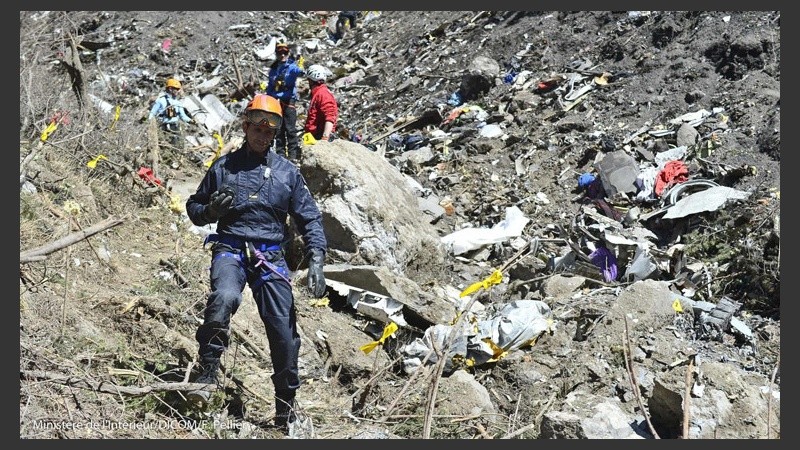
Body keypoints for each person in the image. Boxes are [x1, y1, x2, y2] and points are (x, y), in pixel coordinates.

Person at [184, 93, 328, 431]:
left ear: (275, 134)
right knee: (224, 298)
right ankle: (206, 375)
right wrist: (211, 211)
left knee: (283, 330)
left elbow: (310, 218)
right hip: (230, 248)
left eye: (269, 131)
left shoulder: (287, 173)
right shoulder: (223, 167)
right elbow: (194, 208)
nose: (262, 136)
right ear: (246, 127)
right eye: (257, 129)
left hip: (270, 256)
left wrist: (317, 257)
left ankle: (285, 408)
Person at [266, 41, 305, 161]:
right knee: (278, 130)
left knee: (290, 129)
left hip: (288, 102)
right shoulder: (273, 69)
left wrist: (301, 66)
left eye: (285, 53)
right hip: (275, 102)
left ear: (288, 53)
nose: (282, 55)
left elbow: (299, 72)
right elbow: (270, 87)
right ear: (276, 54)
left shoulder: (292, 67)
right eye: (280, 53)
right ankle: (281, 155)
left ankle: (292, 156)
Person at [148, 78, 193, 147]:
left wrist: (191, 121)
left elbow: (183, 116)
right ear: (170, 89)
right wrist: (150, 126)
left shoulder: (178, 103)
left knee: (179, 145)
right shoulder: (161, 100)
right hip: (164, 128)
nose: (178, 91)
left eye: (178, 89)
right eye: (176, 89)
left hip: (175, 127)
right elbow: (152, 113)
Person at [303, 64, 338, 142]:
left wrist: (325, 137)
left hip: (319, 136)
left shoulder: (323, 94)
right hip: (312, 136)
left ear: (311, 80)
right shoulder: (318, 93)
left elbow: (330, 116)